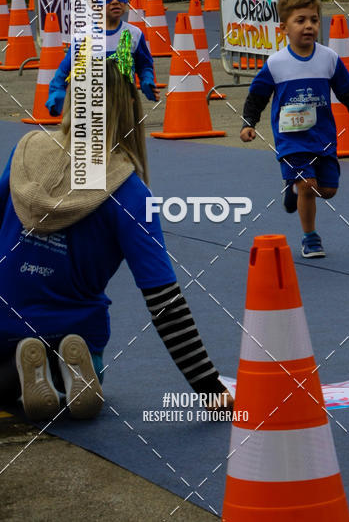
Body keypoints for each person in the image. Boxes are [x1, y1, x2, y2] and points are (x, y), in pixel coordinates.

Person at [0, 48, 233, 422]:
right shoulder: (130, 193)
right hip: (76, 326)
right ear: (130, 110)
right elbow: (163, 298)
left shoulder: (26, 154)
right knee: (82, 353)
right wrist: (209, 388)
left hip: (4, 318)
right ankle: (68, 367)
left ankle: (20, 368)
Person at [240, 0, 349, 259]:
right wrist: (249, 123)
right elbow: (257, 96)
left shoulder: (328, 59)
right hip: (291, 139)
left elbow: (347, 90)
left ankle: (292, 188)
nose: (309, 26)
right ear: (284, 29)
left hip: (322, 136)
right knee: (307, 184)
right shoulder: (276, 63)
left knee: (327, 190)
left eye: (314, 20)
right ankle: (310, 237)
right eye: (300, 20)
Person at [46, 0, 158, 117]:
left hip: (124, 106)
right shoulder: (84, 37)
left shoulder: (134, 34)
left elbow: (144, 64)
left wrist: (147, 81)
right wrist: (57, 93)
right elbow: (65, 69)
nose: (115, 1)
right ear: (93, 3)